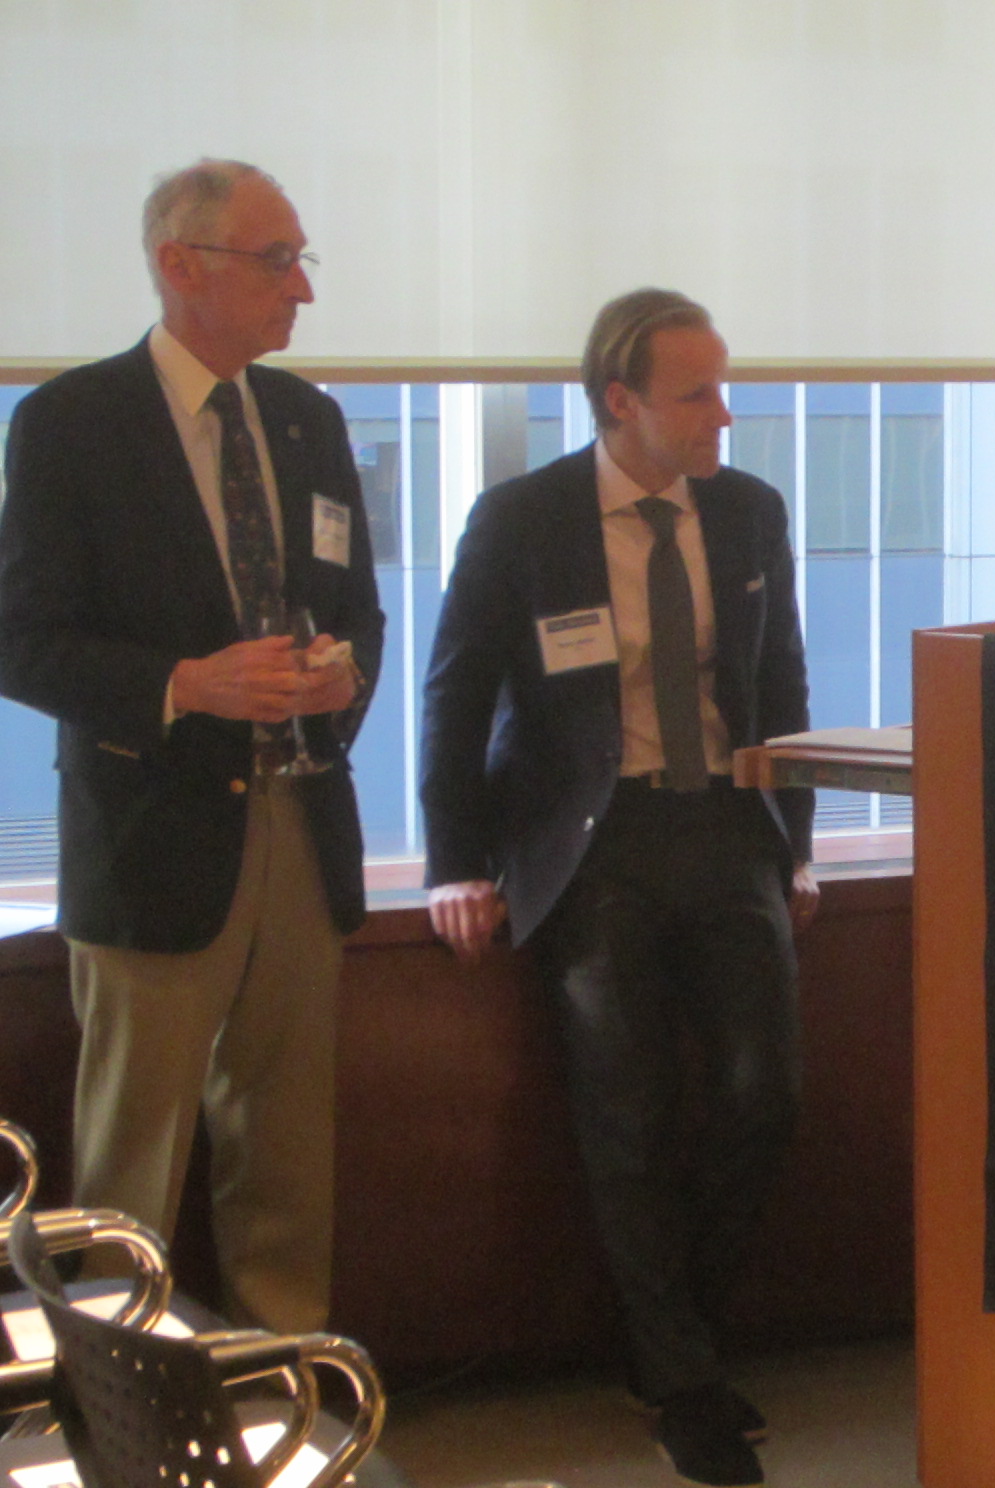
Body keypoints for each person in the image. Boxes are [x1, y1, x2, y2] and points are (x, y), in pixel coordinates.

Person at [421, 288, 816, 1488]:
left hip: (724, 833)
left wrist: (793, 841)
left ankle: (668, 1333)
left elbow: (781, 679)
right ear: (620, 403)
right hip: (592, 848)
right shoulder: (523, 519)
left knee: (765, 1095)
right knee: (626, 1116)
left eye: (723, 385)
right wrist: (451, 862)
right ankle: (683, 1379)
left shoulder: (749, 512)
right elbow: (453, 694)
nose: (725, 415)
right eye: (697, 394)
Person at [0, 159, 383, 1332]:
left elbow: (356, 606)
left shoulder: (308, 419)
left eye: (302, 261)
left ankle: (287, 1399)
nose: (301, 291)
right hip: (152, 835)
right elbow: (23, 640)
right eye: (279, 261)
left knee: (286, 1159)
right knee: (132, 1168)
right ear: (181, 265)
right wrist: (183, 685)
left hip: (300, 824)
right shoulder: (70, 423)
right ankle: (117, 1406)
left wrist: (337, 673)